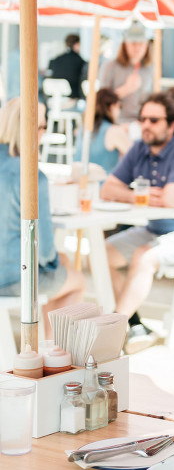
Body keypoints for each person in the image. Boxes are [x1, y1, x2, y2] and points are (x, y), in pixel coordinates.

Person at [100, 91, 174, 350]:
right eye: (142, 118)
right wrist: (136, 195)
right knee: (101, 254)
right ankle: (133, 324)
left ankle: (111, 333)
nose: (145, 125)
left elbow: (170, 200)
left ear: (172, 125)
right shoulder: (138, 149)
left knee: (143, 257)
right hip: (157, 229)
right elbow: (107, 190)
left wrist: (134, 195)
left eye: (154, 120)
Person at [0, 99, 86, 328]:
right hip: (11, 278)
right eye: (43, 126)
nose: (44, 133)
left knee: (62, 263)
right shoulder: (29, 174)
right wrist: (56, 262)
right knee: (76, 279)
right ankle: (51, 350)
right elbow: (45, 250)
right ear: (32, 130)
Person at [98, 21, 154, 124]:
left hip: (141, 123)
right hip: (115, 123)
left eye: (141, 44)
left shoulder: (149, 70)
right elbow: (101, 102)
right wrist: (126, 89)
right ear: (125, 45)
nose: (137, 48)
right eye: (133, 43)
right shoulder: (110, 67)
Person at [74, 88, 131, 173]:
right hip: (103, 184)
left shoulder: (83, 128)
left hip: (80, 182)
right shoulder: (113, 131)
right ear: (112, 106)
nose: (119, 112)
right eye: (120, 107)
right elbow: (136, 157)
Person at [47, 32, 87, 100]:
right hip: (73, 97)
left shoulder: (55, 60)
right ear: (77, 44)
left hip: (54, 98)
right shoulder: (80, 61)